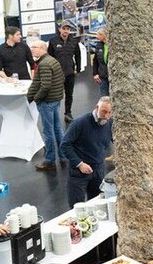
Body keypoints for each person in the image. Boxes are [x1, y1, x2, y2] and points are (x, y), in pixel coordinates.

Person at [60, 97, 114, 207]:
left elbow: (116, 140)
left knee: (97, 203)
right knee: (77, 206)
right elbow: (65, 145)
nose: (107, 116)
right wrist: (80, 164)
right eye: (104, 112)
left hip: (98, 169)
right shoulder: (80, 123)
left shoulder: (109, 123)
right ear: (97, 107)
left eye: (110, 112)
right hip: (79, 172)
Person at [27, 39, 66, 172]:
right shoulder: (52, 60)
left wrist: (36, 98)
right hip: (55, 100)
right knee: (57, 129)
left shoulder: (43, 64)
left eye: (35, 47)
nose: (32, 49)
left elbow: (45, 86)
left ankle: (49, 160)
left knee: (48, 132)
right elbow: (61, 79)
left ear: (43, 49)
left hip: (47, 102)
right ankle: (63, 156)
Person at [48, 22, 82, 121]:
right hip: (57, 73)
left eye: (68, 29)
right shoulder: (53, 41)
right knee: (56, 95)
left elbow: (78, 55)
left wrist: (78, 69)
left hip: (70, 73)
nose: (66, 31)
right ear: (60, 29)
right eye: (64, 28)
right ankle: (55, 114)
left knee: (69, 94)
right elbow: (49, 57)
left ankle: (68, 113)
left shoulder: (74, 41)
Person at [91, 28, 110, 96]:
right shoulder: (99, 45)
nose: (96, 36)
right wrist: (95, 73)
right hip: (102, 76)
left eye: (98, 34)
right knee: (104, 97)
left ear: (103, 35)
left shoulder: (112, 45)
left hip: (112, 76)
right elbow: (95, 60)